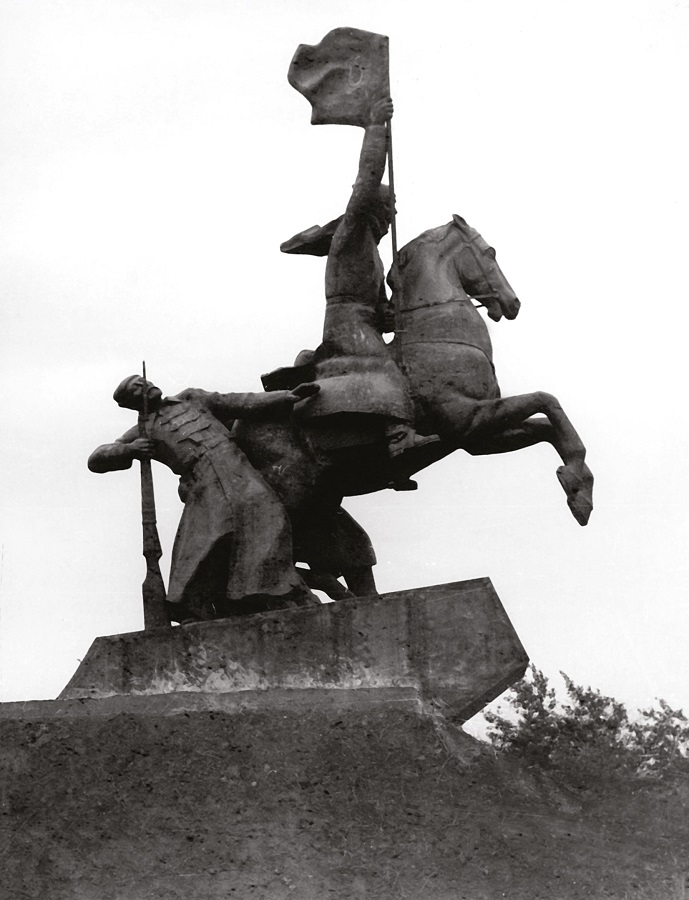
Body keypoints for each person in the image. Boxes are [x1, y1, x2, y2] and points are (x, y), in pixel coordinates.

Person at [281, 96, 439, 462]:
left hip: (363, 323)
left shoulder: (372, 250)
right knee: (386, 370)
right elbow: (365, 183)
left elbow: (379, 308)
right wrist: (374, 128)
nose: (392, 216)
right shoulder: (349, 235)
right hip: (345, 325)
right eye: (389, 208)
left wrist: (386, 314)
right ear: (374, 209)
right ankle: (398, 437)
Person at [88, 375, 320, 622]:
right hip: (202, 478)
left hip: (236, 465)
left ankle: (258, 593)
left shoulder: (191, 398)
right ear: (132, 403)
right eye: (136, 388)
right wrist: (128, 449)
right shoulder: (144, 429)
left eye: (143, 382)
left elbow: (238, 402)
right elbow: (96, 459)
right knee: (209, 538)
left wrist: (287, 396)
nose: (145, 386)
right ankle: (191, 603)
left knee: (269, 517)